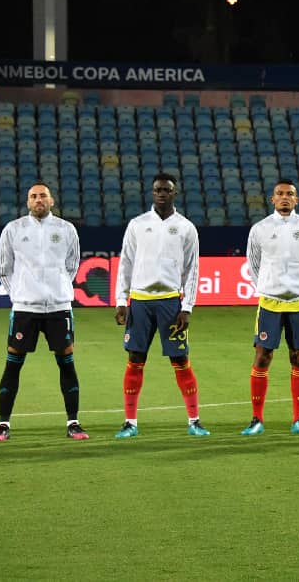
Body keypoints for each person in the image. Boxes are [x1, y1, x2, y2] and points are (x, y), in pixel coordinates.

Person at [0, 182, 88, 441]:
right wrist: (21, 294)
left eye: (43, 195)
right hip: (25, 309)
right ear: (27, 202)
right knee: (13, 364)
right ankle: (3, 425)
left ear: (52, 200)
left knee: (66, 362)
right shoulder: (13, 229)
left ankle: (74, 423)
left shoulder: (67, 230)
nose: (38, 200)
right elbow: (3, 268)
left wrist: (57, 289)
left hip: (58, 308)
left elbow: (72, 265)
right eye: (33, 196)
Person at [113, 173, 207, 438]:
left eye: (166, 190)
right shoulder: (137, 224)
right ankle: (130, 423)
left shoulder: (186, 227)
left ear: (174, 193)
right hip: (140, 302)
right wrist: (122, 301)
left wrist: (187, 306)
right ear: (152, 193)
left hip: (170, 302)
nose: (162, 193)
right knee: (135, 359)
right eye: (157, 190)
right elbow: (126, 264)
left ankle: (194, 421)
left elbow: (193, 270)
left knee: (180, 359)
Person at [241, 179, 299, 436]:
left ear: (296, 200)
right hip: (269, 303)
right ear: (272, 199)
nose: (285, 197)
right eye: (280, 194)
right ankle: (256, 419)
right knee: (263, 357)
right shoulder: (260, 229)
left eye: (290, 194)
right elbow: (253, 264)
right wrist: (267, 286)